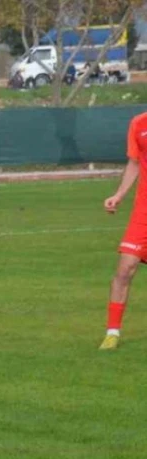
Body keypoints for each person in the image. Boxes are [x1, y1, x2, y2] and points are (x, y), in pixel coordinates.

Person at [99, 111, 147, 350]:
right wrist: (119, 195)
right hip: (143, 213)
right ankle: (112, 332)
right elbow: (135, 162)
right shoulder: (138, 124)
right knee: (125, 268)